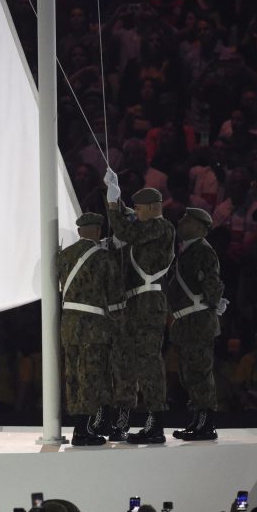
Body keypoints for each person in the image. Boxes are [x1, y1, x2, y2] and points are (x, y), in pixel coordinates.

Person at [104, 169, 175, 444]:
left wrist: (114, 204)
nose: (136, 211)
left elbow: (126, 230)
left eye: (138, 208)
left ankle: (155, 421)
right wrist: (117, 199)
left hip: (149, 300)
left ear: (152, 208)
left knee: (148, 361)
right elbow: (128, 226)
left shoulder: (161, 226)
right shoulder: (145, 227)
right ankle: (123, 416)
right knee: (124, 359)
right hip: (132, 302)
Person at [58, 212, 121, 446]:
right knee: (92, 376)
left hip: (69, 325)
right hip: (94, 327)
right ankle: (83, 430)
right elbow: (115, 297)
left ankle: (88, 423)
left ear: (79, 231)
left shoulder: (63, 256)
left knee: (74, 376)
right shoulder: (103, 258)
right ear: (97, 231)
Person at [168, 208, 227, 440]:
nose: (180, 222)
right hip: (187, 321)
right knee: (188, 372)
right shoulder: (189, 251)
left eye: (186, 220)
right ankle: (197, 418)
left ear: (200, 227)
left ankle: (206, 422)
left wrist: (213, 303)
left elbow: (212, 284)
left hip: (198, 320)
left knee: (200, 371)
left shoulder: (203, 251)